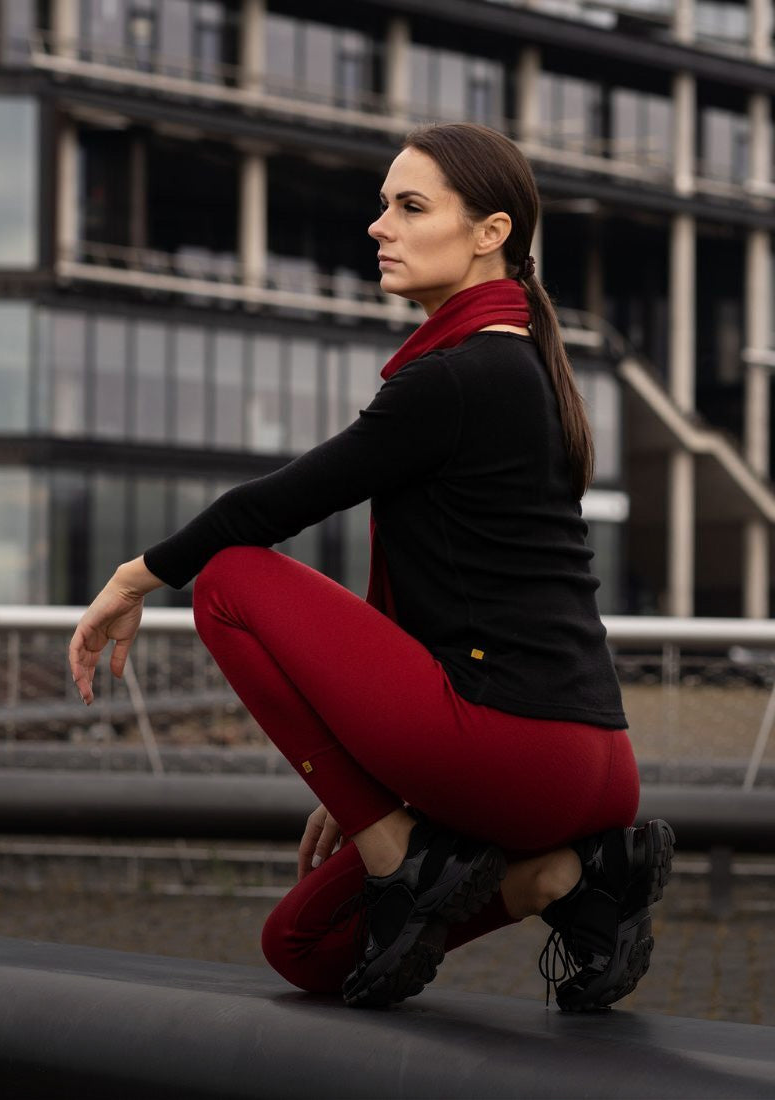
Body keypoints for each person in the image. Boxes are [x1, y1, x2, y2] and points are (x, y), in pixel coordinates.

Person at [68, 121, 674, 1013]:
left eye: (409, 205)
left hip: (508, 748)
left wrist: (130, 580)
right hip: (596, 762)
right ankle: (569, 880)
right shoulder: (527, 369)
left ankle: (410, 860)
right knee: (304, 949)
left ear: (490, 232)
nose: (377, 226)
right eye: (384, 204)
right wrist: (369, 787)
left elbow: (269, 507)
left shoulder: (459, 377)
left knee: (231, 579)